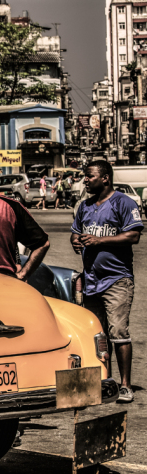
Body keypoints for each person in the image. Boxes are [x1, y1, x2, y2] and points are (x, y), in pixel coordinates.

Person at [71, 160, 143, 404]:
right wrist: (76, 240)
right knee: (97, 335)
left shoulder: (124, 203)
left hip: (117, 279)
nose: (85, 180)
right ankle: (104, 381)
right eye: (85, 176)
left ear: (105, 178)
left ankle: (124, 385)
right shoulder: (85, 206)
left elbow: (133, 235)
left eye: (89, 176)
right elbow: (75, 231)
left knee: (118, 332)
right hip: (91, 280)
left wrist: (99, 241)